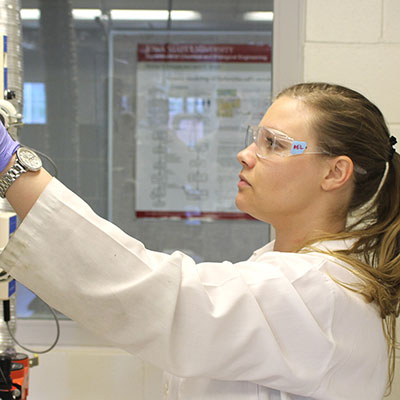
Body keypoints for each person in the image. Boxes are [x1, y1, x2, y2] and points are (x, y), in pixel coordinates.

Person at [0, 82, 398, 400]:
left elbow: (162, 299)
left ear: (334, 173)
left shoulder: (319, 292)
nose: (245, 154)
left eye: (272, 144)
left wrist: (12, 167)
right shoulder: (286, 272)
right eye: (254, 138)